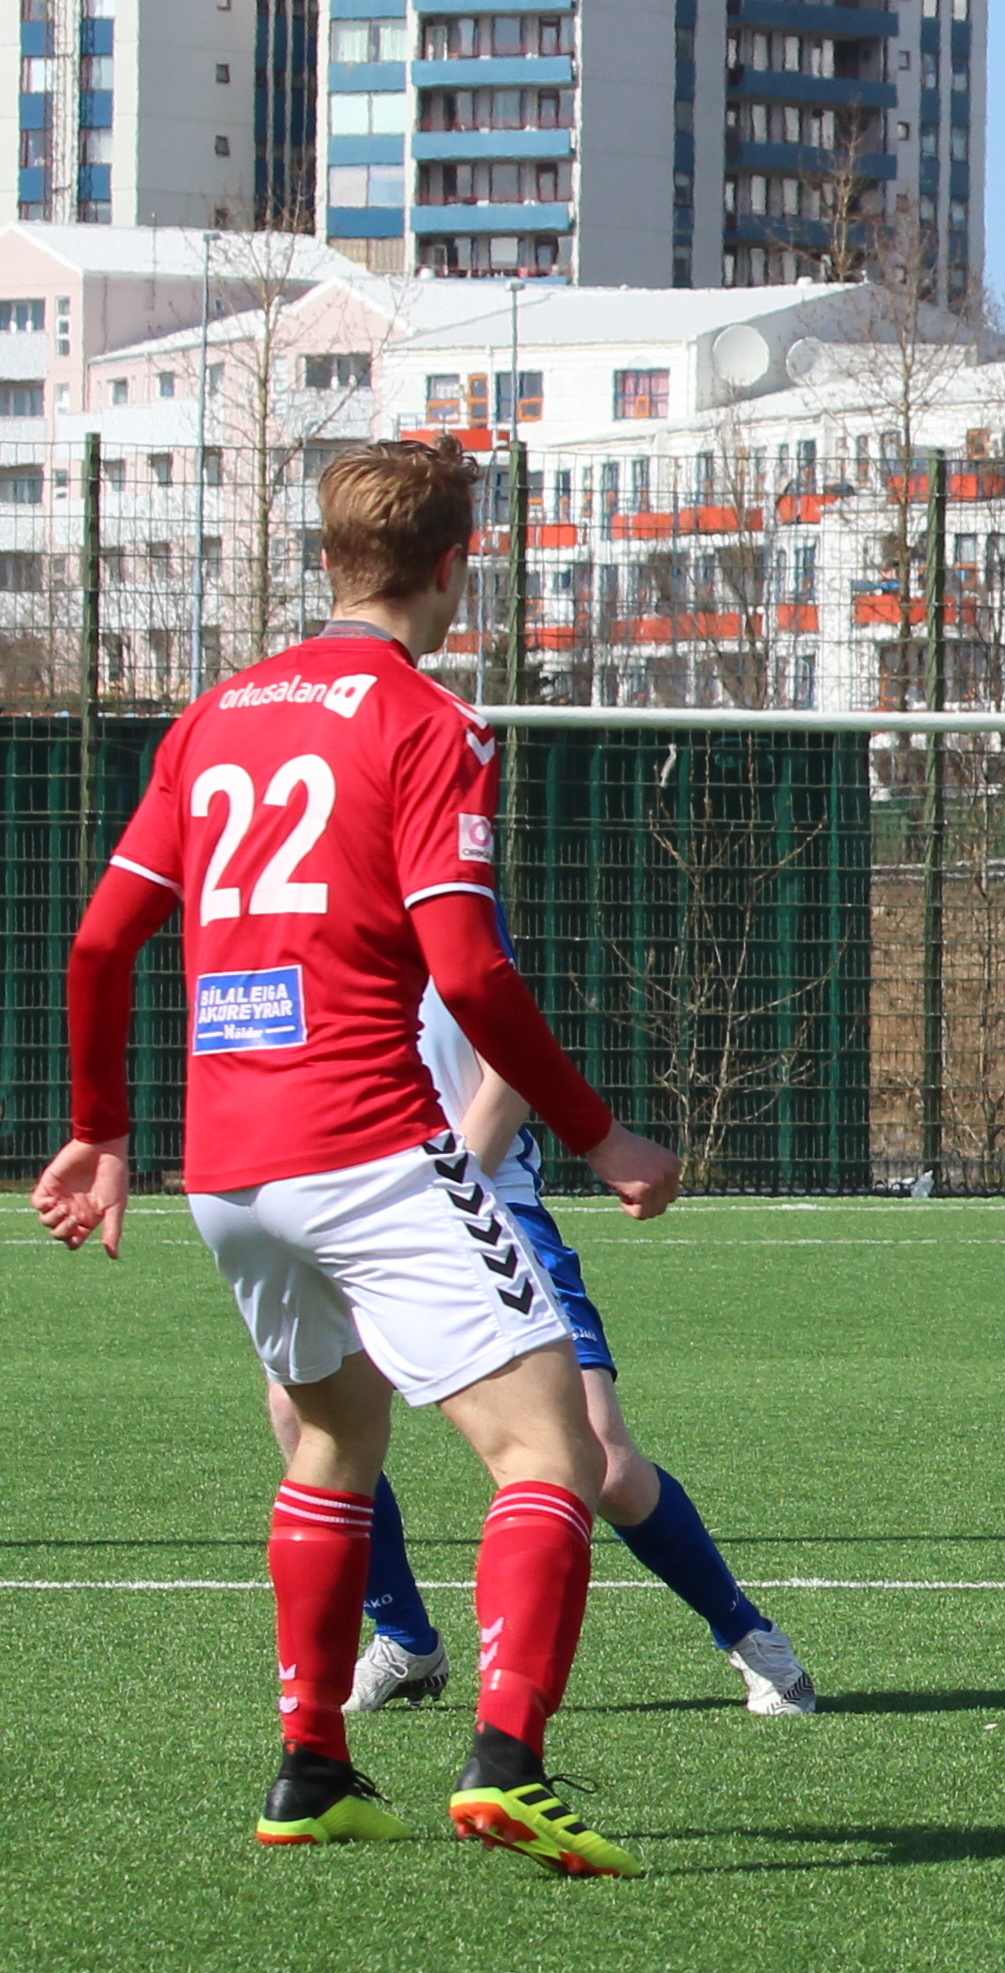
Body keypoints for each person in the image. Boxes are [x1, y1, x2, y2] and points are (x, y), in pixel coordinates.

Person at [31, 436, 681, 1874]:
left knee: (332, 1438)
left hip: (228, 1169)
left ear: (324, 559)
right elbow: (470, 969)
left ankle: (312, 1764)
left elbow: (97, 943)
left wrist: (97, 1128)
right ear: (456, 567)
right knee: (551, 1450)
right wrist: (600, 1133)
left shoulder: (213, 717)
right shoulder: (426, 722)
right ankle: (508, 1761)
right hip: (370, 1143)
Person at [263, 963, 815, 1719]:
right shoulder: (315, 934)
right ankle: (406, 1639)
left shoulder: (452, 919)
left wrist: (444, 1193)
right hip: (360, 1220)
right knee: (303, 1419)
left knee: (604, 1462)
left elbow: (510, 1064)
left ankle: (750, 1634)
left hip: (487, 1206)